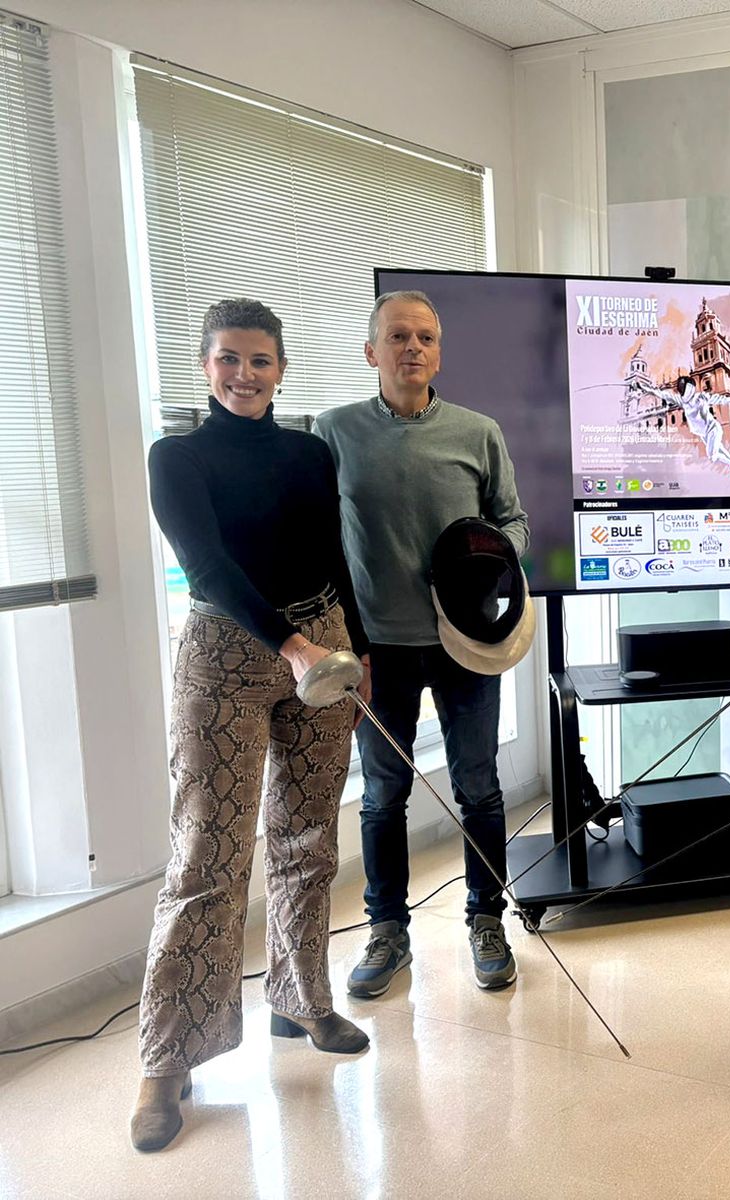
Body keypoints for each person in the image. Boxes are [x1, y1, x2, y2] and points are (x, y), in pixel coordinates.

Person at [134, 299, 371, 1153]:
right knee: (208, 852)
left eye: (260, 361)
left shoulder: (309, 452)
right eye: (228, 359)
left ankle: (303, 1000)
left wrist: (357, 647)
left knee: (309, 839)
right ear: (205, 366)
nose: (245, 374)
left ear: (282, 368)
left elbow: (335, 556)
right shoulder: (176, 456)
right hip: (227, 655)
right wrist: (294, 647)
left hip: (325, 646)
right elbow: (208, 565)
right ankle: (166, 1060)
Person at [314, 291, 529, 997]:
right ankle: (386, 931)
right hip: (379, 650)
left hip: (467, 643)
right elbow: (320, 542)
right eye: (398, 336)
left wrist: (491, 559)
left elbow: (515, 524)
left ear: (439, 351)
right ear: (370, 350)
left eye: (427, 338)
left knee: (480, 788)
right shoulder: (334, 433)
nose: (414, 348)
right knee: (383, 795)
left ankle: (486, 921)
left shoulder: (478, 431)